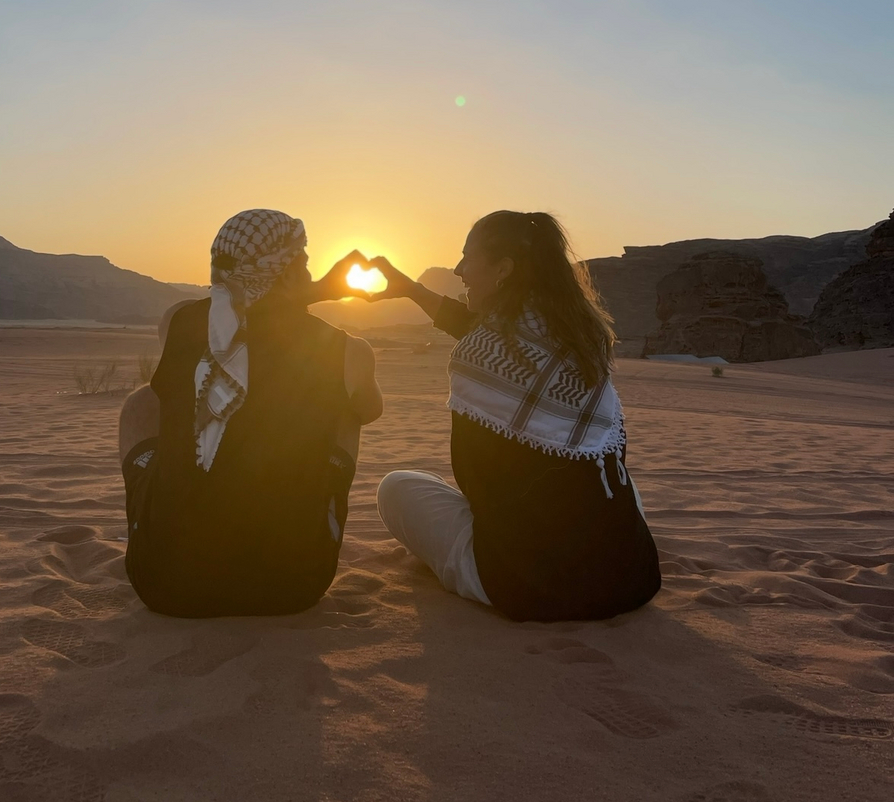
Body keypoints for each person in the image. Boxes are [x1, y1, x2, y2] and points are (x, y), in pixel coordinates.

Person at [369, 211, 661, 623]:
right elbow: (499, 339)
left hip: (528, 586)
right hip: (631, 578)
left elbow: (472, 479)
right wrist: (410, 289)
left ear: (503, 269)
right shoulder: (581, 343)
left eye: (467, 257)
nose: (458, 270)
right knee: (611, 480)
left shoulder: (480, 355)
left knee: (397, 488)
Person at [118, 209, 382, 617]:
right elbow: (370, 410)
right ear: (288, 275)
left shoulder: (178, 321)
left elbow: (241, 323)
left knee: (144, 402)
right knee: (347, 410)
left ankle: (152, 527)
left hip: (165, 585)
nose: (310, 273)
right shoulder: (347, 350)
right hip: (292, 585)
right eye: (304, 263)